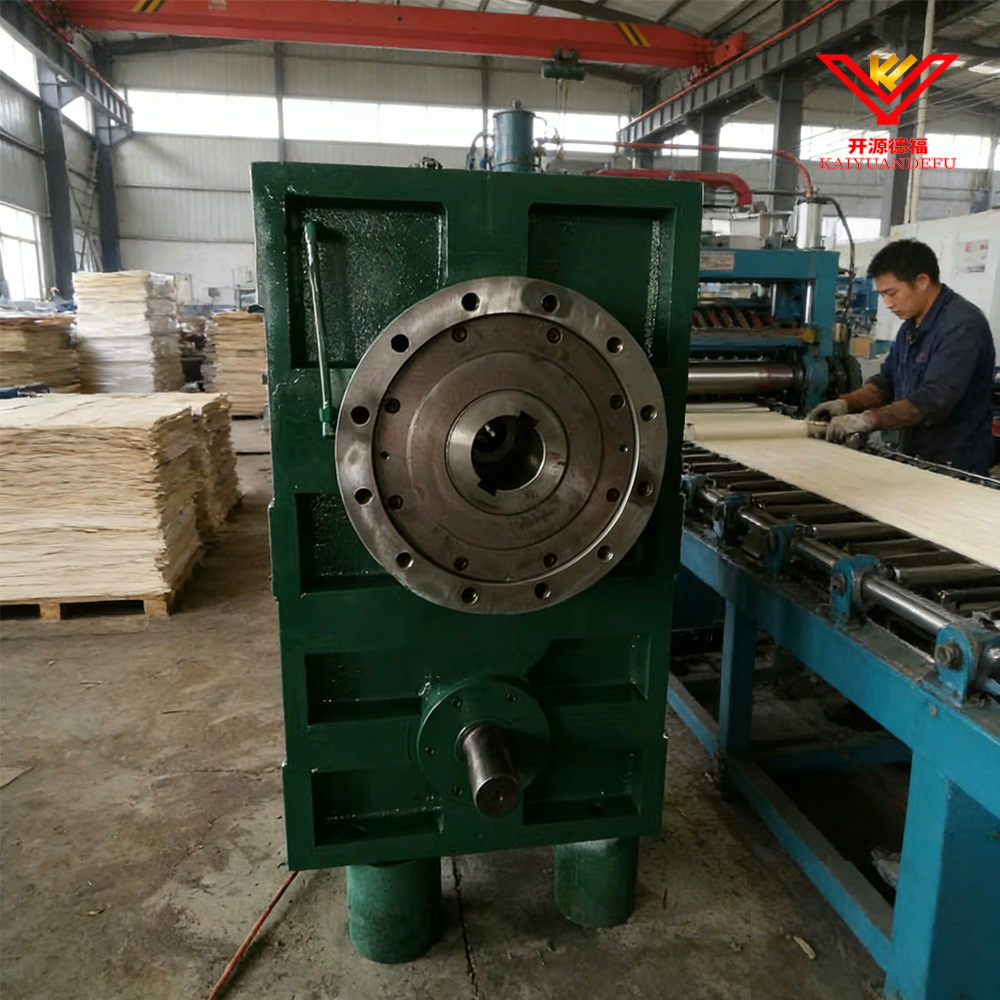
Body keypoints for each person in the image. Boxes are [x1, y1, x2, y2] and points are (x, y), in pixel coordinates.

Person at [806, 238, 995, 475]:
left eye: (892, 293)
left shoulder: (961, 327)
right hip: (917, 456)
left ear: (922, 281)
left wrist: (867, 420)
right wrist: (846, 403)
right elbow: (887, 381)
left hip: (955, 464)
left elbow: (933, 401)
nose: (888, 304)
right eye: (883, 295)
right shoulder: (911, 326)